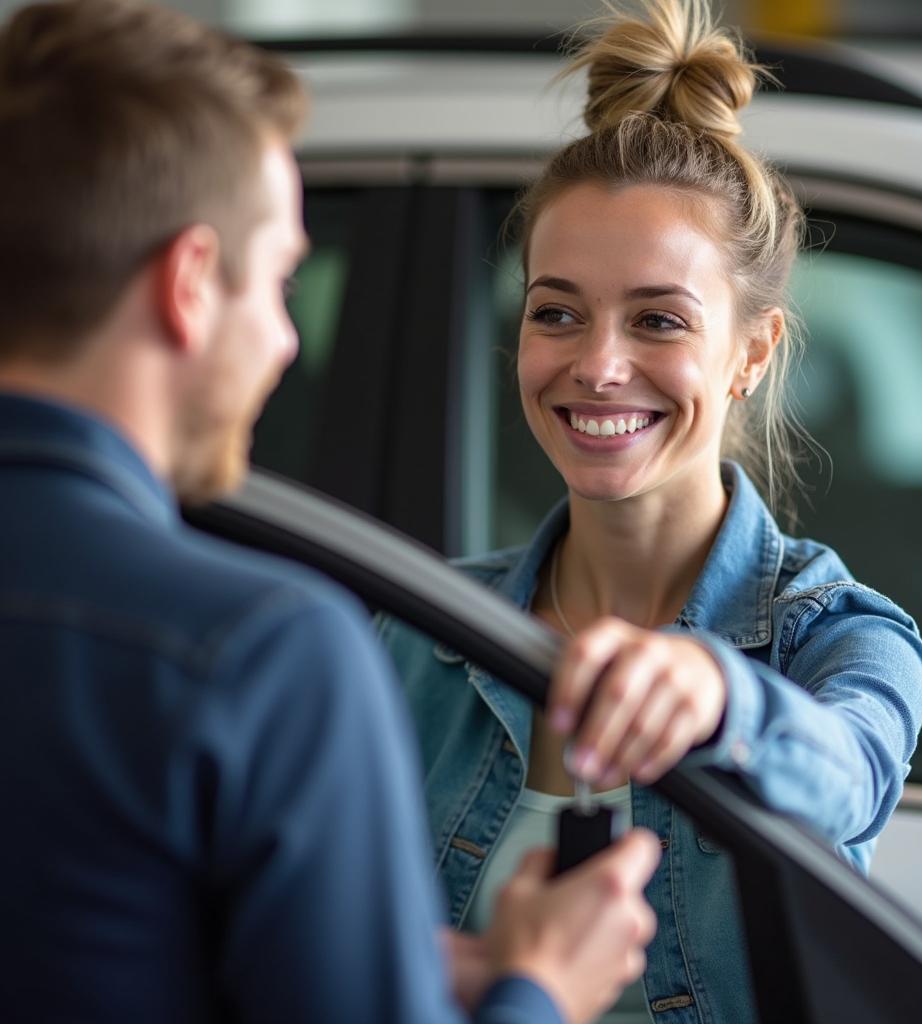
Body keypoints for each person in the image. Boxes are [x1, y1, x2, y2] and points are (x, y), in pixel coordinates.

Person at [0, 2, 662, 1022]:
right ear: (187, 284)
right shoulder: (258, 656)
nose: (286, 341)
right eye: (280, 282)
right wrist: (543, 985)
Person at [380, 1, 922, 1022]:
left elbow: (848, 773)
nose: (595, 365)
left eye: (657, 320)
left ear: (751, 353)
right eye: (557, 312)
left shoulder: (840, 636)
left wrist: (718, 694)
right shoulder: (420, 634)